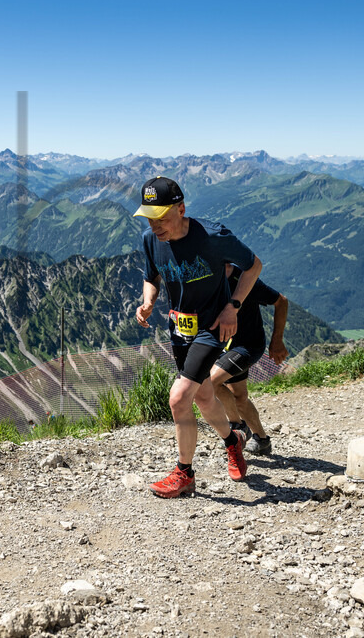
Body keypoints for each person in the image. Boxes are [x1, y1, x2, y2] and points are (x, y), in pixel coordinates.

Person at [133, 176, 262, 498]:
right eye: (150, 217)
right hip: (179, 328)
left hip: (212, 328)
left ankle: (184, 473)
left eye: (162, 217)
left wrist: (232, 307)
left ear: (181, 209)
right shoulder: (151, 240)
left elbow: (254, 265)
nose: (155, 225)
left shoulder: (213, 237)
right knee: (204, 397)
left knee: (178, 399)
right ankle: (234, 441)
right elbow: (152, 276)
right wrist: (148, 301)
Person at [210, 268, 288, 456]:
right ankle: (262, 440)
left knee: (211, 382)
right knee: (240, 398)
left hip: (248, 346)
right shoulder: (207, 277)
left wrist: (277, 340)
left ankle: (238, 428)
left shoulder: (244, 278)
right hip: (226, 346)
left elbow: (281, 301)